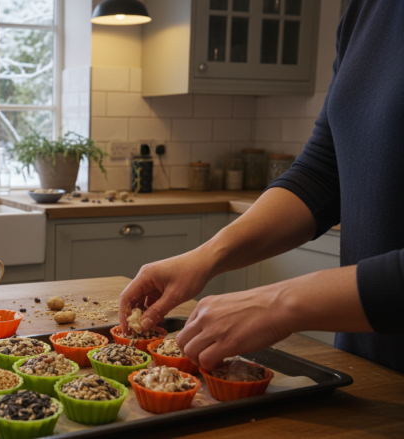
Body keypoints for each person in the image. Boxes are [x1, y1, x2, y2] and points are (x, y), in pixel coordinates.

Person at [119, 0, 404, 374]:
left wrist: (280, 303)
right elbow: (323, 172)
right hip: (369, 365)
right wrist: (206, 257)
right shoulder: (365, 9)